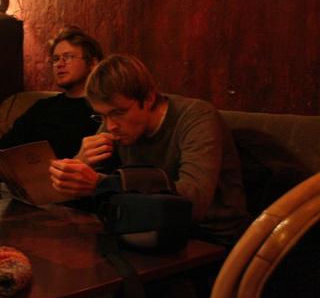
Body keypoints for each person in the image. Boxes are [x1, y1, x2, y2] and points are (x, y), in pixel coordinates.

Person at [49, 54, 247, 245]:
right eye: (102, 116)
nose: (110, 126)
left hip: (210, 237)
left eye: (119, 113)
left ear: (149, 99)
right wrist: (79, 164)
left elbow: (193, 204)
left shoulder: (196, 118)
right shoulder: (115, 123)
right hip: (148, 228)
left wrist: (101, 184)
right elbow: (84, 185)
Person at [0, 25, 106, 182]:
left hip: (70, 187)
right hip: (21, 185)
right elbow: (4, 147)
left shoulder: (103, 110)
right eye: (56, 59)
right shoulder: (43, 107)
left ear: (93, 63)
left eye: (68, 57)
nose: (60, 64)